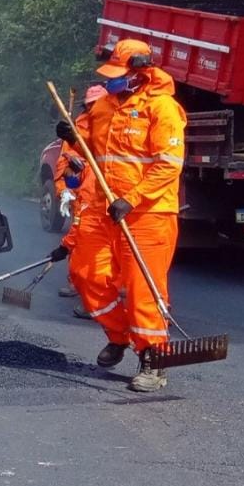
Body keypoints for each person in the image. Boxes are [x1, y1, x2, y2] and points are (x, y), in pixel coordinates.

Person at [55, 39, 186, 392]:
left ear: (139, 73)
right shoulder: (104, 107)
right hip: (103, 209)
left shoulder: (162, 109)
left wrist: (132, 198)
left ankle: (154, 359)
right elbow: (86, 148)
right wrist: (71, 136)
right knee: (85, 274)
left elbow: (168, 165)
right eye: (110, 76)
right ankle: (120, 335)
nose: (112, 81)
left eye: (118, 75)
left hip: (147, 214)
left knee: (144, 290)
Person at [51, 85, 107, 318]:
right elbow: (63, 165)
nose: (92, 109)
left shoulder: (112, 128)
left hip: (104, 197)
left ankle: (102, 297)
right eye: (90, 105)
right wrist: (63, 190)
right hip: (85, 195)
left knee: (98, 248)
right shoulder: (79, 130)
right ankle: (82, 286)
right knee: (84, 241)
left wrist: (64, 245)